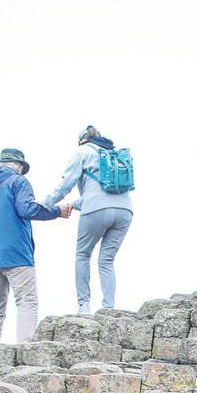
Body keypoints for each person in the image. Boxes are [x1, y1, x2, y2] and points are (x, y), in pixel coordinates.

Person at [0, 148, 69, 346]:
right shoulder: (18, 182)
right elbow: (26, 209)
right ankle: (25, 348)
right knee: (26, 301)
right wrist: (57, 211)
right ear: (19, 166)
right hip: (17, 254)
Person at [44, 125, 133, 314]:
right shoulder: (112, 154)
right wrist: (74, 205)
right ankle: (108, 307)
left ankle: (83, 306)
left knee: (83, 255)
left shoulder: (83, 151)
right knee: (106, 260)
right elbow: (100, 191)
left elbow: (65, 184)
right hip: (125, 210)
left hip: (96, 210)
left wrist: (45, 203)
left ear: (81, 140)